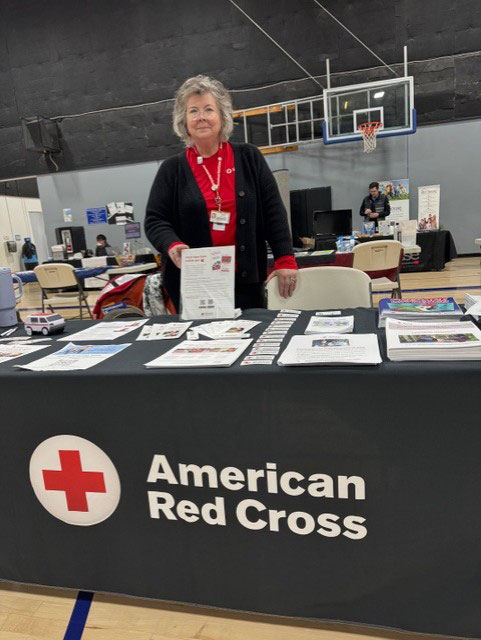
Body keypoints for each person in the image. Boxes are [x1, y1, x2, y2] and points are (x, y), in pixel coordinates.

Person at [144, 75, 298, 311]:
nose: (201, 117)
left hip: (247, 280)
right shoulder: (171, 169)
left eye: (208, 109)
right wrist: (172, 244)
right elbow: (156, 220)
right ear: (184, 121)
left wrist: (285, 258)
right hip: (195, 283)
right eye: (193, 111)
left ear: (222, 116)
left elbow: (273, 211)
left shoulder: (249, 157)